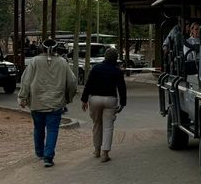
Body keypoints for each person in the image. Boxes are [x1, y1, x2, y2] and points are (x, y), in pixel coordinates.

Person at [18, 40, 78, 168]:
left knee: (38, 128)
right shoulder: (62, 62)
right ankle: (48, 157)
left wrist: (22, 97)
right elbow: (72, 81)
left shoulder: (34, 61)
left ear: (41, 48)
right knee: (52, 130)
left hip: (36, 102)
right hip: (56, 102)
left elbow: (26, 81)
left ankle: (39, 153)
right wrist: (68, 97)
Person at [81, 47, 126, 163]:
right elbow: (122, 88)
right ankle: (105, 153)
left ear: (105, 57)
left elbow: (88, 84)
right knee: (108, 127)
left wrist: (84, 100)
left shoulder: (96, 68)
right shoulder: (117, 71)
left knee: (96, 124)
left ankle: (97, 150)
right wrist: (123, 103)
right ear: (116, 59)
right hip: (110, 99)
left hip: (95, 99)